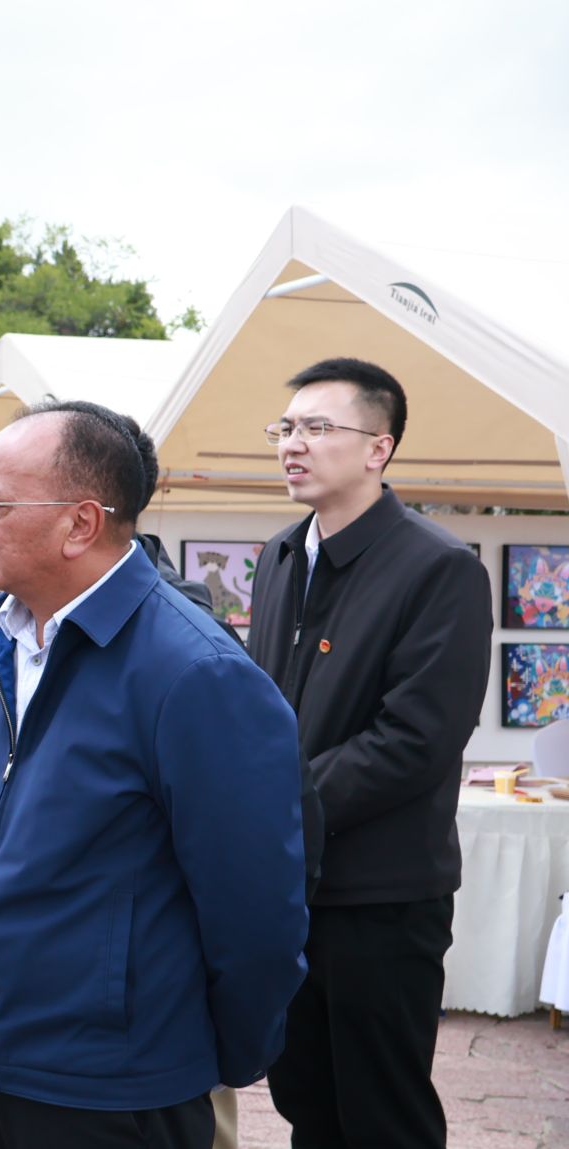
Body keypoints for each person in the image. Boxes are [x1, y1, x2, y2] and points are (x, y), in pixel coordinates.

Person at [0, 401, 307, 1149]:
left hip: (115, 1083)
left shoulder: (193, 672)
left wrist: (216, 1056)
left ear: (80, 523)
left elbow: (255, 909)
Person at [246, 359, 491, 1149]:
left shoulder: (439, 567)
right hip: (290, 883)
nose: (293, 444)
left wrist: (275, 800)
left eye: (318, 427)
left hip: (380, 894)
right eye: (286, 428)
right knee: (306, 1100)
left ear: (379, 448)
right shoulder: (281, 554)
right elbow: (260, 709)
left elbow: (416, 739)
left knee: (383, 1113)